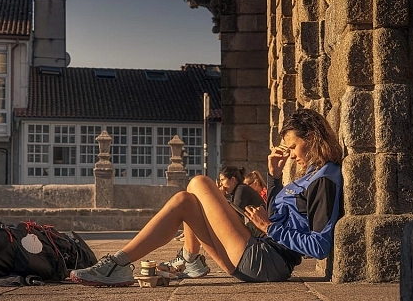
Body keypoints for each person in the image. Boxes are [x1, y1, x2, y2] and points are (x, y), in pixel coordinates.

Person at [69, 108, 343, 286]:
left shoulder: (325, 179)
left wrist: (269, 227)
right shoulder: (311, 174)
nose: (292, 154)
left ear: (314, 137)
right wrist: (273, 177)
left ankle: (142, 264)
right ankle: (142, 262)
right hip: (259, 253)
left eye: (293, 146)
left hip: (268, 261)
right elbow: (276, 216)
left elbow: (319, 247)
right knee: (185, 201)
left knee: (199, 182)